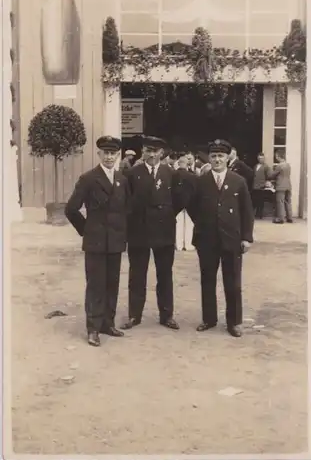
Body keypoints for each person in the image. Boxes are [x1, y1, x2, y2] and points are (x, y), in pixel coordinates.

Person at [121, 136, 193, 331]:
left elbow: (178, 200)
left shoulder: (171, 173)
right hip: (139, 230)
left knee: (165, 274)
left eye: (156, 151)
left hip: (164, 230)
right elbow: (127, 202)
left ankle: (166, 315)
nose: (151, 155)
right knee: (137, 275)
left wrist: (166, 214)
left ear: (162, 153)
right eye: (148, 150)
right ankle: (134, 315)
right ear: (143, 152)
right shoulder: (131, 173)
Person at [65, 136, 131, 347]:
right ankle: (93, 328)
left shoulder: (122, 179)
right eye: (106, 153)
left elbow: (126, 209)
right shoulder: (89, 179)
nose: (110, 156)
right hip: (95, 242)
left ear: (117, 155)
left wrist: (123, 232)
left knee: (112, 283)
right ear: (99, 154)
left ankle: (107, 324)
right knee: (95, 285)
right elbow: (71, 209)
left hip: (115, 242)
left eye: (113, 153)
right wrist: (87, 230)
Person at [187, 139, 254, 338]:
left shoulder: (238, 181)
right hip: (206, 239)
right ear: (209, 158)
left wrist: (246, 237)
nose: (217, 159)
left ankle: (234, 322)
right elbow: (192, 207)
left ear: (228, 157)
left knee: (232, 282)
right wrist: (202, 223)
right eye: (214, 156)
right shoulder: (201, 181)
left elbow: (247, 211)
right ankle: (209, 319)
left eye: (221, 156)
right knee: (207, 280)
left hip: (231, 239)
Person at [271, 150, 293, 224]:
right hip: (288, 185)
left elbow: (273, 175)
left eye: (276, 156)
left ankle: (281, 218)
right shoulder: (288, 165)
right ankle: (290, 217)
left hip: (280, 186)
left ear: (278, 156)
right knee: (288, 202)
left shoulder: (279, 166)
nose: (275, 157)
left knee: (280, 202)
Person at [252, 152, 272, 219]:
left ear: (264, 159)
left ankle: (259, 215)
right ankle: (255, 214)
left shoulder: (266, 167)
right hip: (255, 186)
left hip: (261, 186)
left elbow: (269, 176)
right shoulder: (255, 166)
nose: (261, 160)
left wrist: (266, 183)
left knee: (260, 201)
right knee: (255, 200)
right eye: (259, 158)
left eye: (262, 158)